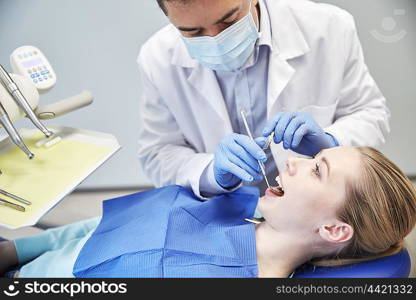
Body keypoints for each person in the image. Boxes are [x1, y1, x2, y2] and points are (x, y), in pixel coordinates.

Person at [0, 146, 414, 278]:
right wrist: (17, 252)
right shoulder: (237, 203)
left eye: (317, 169)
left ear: (334, 229)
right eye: (313, 154)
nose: (293, 161)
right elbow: (103, 227)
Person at [137, 0, 390, 198]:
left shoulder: (329, 28)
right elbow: (158, 152)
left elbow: (370, 114)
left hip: (316, 211)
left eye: (229, 21)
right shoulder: (157, 58)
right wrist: (210, 172)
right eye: (193, 32)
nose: (215, 40)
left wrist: (330, 142)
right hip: (221, 211)